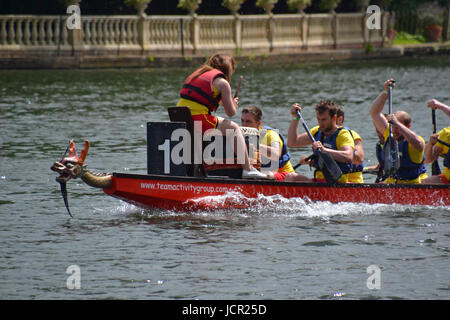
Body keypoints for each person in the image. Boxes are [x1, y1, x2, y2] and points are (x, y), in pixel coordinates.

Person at [176, 53, 266, 179]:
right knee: (233, 128)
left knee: (209, 130)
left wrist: (225, 101)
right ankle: (247, 169)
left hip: (179, 116)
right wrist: (233, 104)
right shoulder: (223, 83)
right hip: (196, 117)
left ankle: (196, 173)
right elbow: (231, 113)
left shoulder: (201, 73)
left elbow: (204, 99)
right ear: (229, 70)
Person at [369, 79, 427, 184]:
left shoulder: (414, 141)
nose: (394, 131)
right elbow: (374, 112)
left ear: (408, 126)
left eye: (398, 128)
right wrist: (386, 92)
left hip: (411, 185)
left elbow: (419, 145)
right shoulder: (390, 134)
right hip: (390, 183)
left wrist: (396, 123)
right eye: (393, 126)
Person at [285, 100, 355, 183]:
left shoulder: (343, 134)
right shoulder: (317, 131)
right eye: (318, 119)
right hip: (319, 181)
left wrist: (324, 150)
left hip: (338, 183)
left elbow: (348, 156)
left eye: (324, 119)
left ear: (334, 118)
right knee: (290, 177)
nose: (321, 123)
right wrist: (295, 118)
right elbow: (292, 143)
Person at [241, 105, 295, 181]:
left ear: (258, 123)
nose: (244, 125)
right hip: (261, 176)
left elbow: (275, 154)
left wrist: (256, 146)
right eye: (242, 121)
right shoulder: (241, 136)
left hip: (283, 177)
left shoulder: (271, 134)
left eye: (248, 122)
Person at [422, 99, 450, 184]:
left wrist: (440, 106)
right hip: (448, 176)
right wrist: (430, 144)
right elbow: (427, 160)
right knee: (424, 183)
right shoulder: (446, 134)